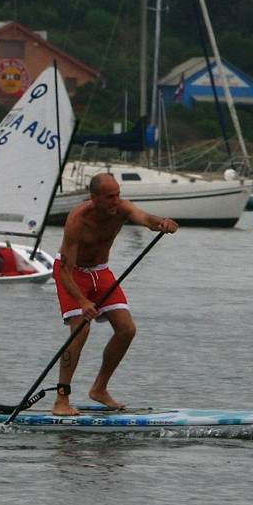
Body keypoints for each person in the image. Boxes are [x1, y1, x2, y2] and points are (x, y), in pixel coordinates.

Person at [52, 173, 178, 415]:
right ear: (94, 198)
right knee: (81, 329)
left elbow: (146, 219)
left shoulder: (122, 208)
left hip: (100, 272)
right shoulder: (78, 220)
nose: (116, 201)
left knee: (126, 329)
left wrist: (162, 223)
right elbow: (65, 270)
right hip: (72, 273)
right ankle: (61, 400)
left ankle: (99, 388)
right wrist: (82, 301)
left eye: (118, 195)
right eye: (110, 197)